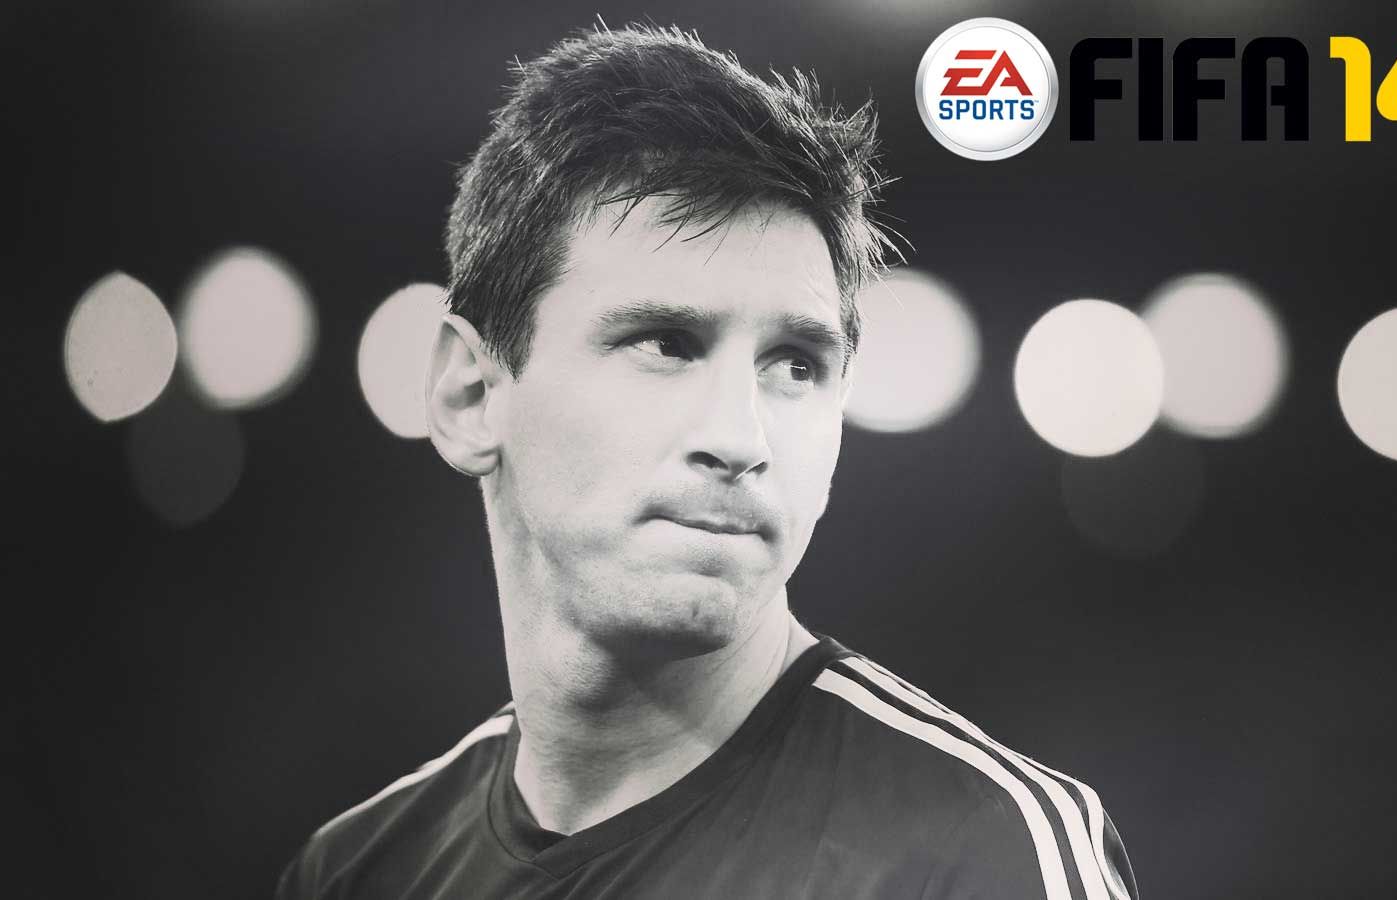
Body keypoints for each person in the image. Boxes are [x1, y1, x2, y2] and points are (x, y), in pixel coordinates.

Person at [276, 23, 1137, 900]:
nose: (741, 439)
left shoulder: (984, 854)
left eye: (795, 365)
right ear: (470, 396)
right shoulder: (355, 872)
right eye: (665, 343)